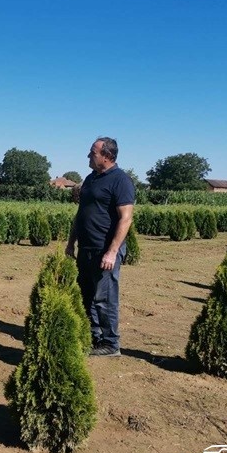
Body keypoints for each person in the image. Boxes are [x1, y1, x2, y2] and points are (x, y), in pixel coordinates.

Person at [65, 137, 135, 357]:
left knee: (104, 299)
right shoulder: (90, 178)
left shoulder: (120, 180)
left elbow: (126, 218)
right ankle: (94, 337)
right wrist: (71, 242)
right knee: (86, 295)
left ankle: (110, 343)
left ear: (107, 155)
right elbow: (81, 214)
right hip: (86, 248)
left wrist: (112, 252)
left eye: (92, 152)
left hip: (105, 250)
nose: (88, 156)